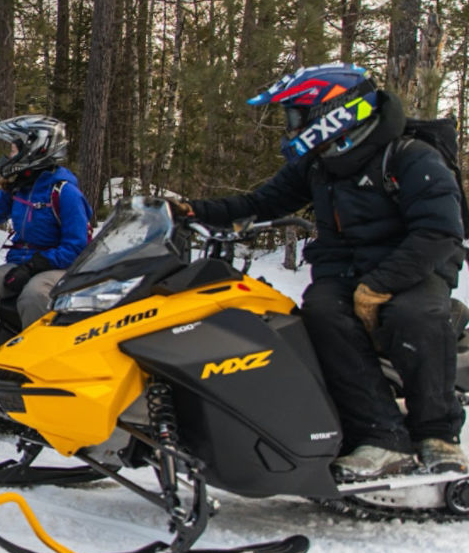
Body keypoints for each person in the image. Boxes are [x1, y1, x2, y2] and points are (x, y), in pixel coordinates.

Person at [175, 62, 468, 481]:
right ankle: (379, 438)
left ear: (331, 111)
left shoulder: (411, 156)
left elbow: (441, 231)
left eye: (296, 115)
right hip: (344, 270)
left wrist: (380, 285)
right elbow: (262, 202)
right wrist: (190, 211)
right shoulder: (321, 161)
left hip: (413, 264)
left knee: (414, 314)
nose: (290, 126)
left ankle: (438, 435)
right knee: (320, 314)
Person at [0, 115, 93, 397]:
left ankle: (36, 368)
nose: (8, 155)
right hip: (22, 262)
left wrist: (36, 265)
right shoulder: (20, 186)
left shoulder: (63, 191)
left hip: (58, 266)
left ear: (36, 147)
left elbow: (78, 246)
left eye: (13, 149)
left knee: (34, 295)